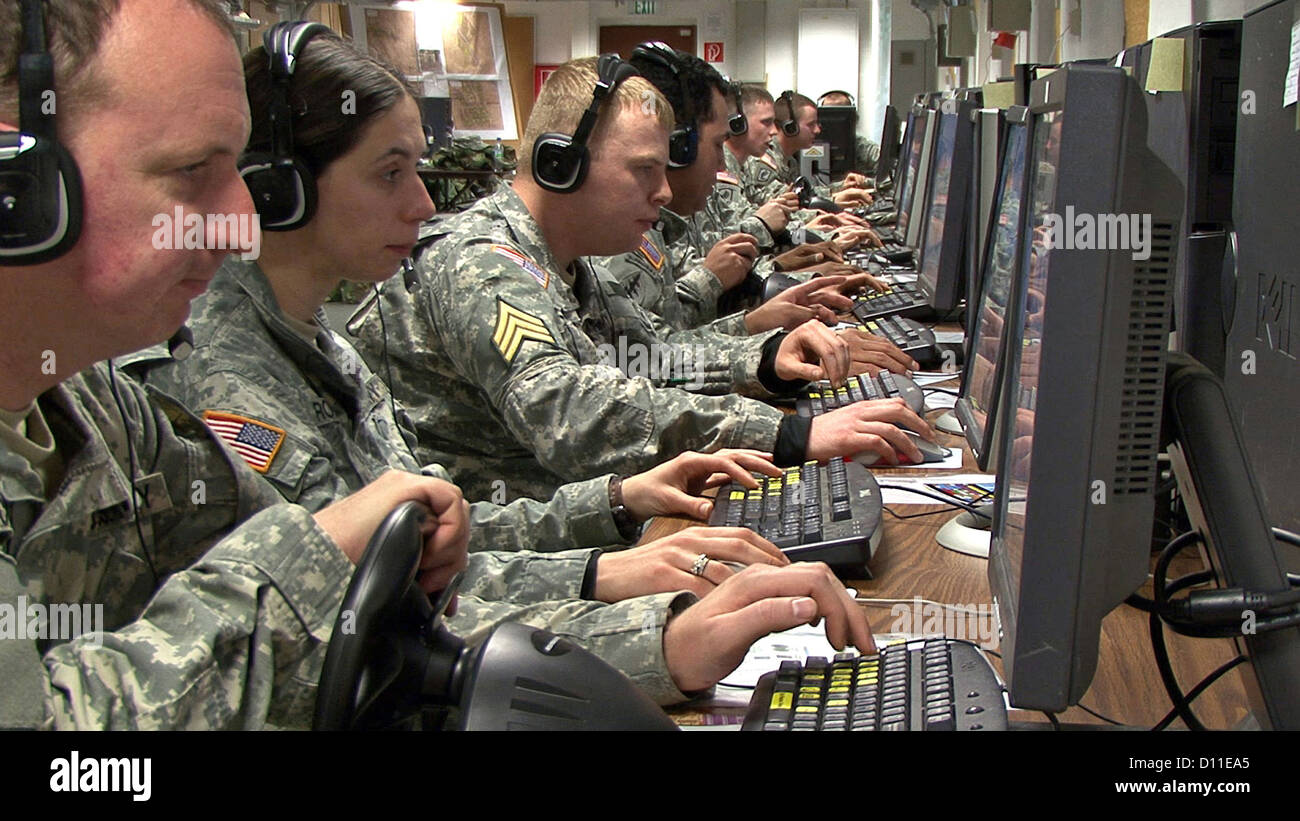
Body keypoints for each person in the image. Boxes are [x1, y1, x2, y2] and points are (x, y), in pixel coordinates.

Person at [0, 0, 872, 729]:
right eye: (195, 170)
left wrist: (617, 541)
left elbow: (404, 589)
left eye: (239, 172)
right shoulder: (197, 376)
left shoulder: (100, 401)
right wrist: (773, 443)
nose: (236, 218)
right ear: (17, 181)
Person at [349, 56, 934, 506]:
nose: (662, 192)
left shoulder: (571, 259)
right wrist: (789, 435)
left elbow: (649, 359)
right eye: (644, 171)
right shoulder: (481, 260)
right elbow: (571, 415)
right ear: (562, 165)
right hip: (500, 553)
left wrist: (766, 358)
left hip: (585, 512)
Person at [741, 90, 874, 211]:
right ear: (790, 128)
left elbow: (800, 195)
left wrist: (840, 187)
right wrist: (833, 202)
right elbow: (780, 203)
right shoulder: (765, 160)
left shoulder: (790, 161)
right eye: (811, 124)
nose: (817, 130)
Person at [816, 90, 881, 177]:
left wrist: (863, 182)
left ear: (854, 119)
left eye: (839, 115)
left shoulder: (866, 149)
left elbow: (889, 178)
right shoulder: (806, 146)